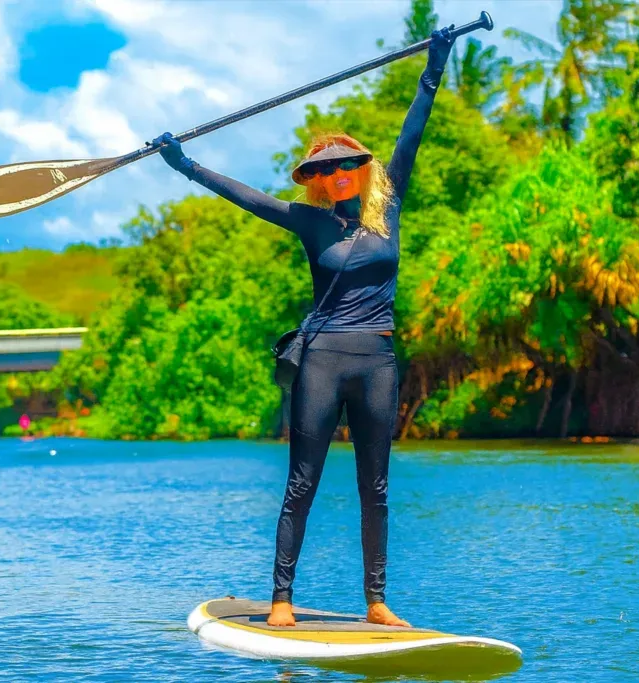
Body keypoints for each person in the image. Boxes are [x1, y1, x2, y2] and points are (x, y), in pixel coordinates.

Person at [151, 26, 456, 628]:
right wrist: (184, 164)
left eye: (348, 165)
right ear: (318, 179)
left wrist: (434, 66)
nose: (340, 173)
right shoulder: (311, 224)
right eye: (329, 168)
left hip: (378, 361)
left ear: (360, 170)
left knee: (377, 488)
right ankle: (282, 601)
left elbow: (411, 135)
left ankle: (376, 603)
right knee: (302, 484)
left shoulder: (386, 206)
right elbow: (244, 196)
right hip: (322, 363)